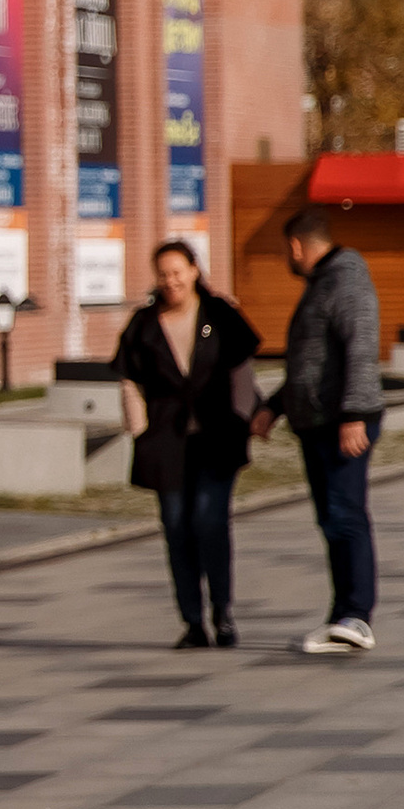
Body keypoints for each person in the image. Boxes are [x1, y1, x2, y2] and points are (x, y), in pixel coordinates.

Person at [112, 238, 259, 649]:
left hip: (217, 439)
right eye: (163, 274)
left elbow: (242, 371)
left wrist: (243, 419)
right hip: (166, 442)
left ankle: (223, 612)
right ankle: (193, 621)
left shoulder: (219, 314)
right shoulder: (144, 324)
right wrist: (139, 430)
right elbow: (129, 379)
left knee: (210, 522)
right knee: (177, 528)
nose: (171, 281)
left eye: (177, 272)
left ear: (194, 270)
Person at [254, 204, 384, 653]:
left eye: (284, 251)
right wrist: (274, 407)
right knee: (332, 519)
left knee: (346, 516)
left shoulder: (346, 280)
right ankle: (341, 618)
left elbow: (361, 348)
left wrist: (354, 415)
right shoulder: (323, 283)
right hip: (317, 422)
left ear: (296, 246)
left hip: (342, 421)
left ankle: (358, 616)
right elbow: (311, 363)